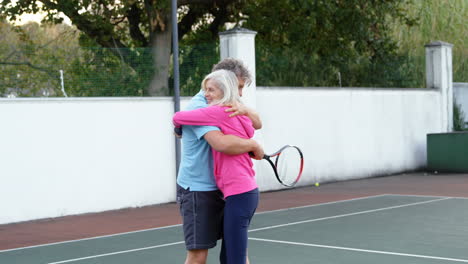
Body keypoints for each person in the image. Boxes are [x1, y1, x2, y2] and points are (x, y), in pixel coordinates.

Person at [175, 58, 263, 264]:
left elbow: (256, 123)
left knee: (237, 252)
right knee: (198, 256)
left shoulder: (228, 102)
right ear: (225, 81)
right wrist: (253, 146)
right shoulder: (202, 105)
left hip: (227, 189)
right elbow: (221, 143)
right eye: (239, 86)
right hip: (199, 190)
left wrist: (247, 111)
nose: (240, 93)